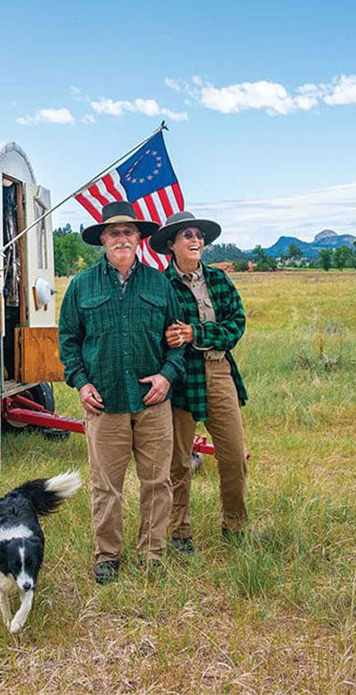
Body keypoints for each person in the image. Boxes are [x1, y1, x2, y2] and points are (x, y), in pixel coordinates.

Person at [58, 201, 186, 584]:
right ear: (102, 239)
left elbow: (177, 340)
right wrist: (81, 382)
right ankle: (107, 556)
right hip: (105, 402)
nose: (122, 238)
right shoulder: (82, 286)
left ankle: (152, 554)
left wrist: (166, 376)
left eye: (129, 232)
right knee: (105, 486)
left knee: (157, 482)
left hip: (153, 401)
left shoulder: (158, 284)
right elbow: (68, 341)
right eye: (114, 232)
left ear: (139, 238)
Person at [149, 210, 252, 553]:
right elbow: (161, 333)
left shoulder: (219, 280)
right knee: (179, 460)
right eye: (187, 236)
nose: (196, 241)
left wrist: (195, 333)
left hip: (218, 369)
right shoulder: (161, 286)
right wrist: (176, 338)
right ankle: (180, 534)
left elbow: (236, 325)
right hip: (181, 376)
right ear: (171, 245)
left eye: (199, 236)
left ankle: (235, 526)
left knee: (234, 453)